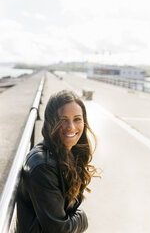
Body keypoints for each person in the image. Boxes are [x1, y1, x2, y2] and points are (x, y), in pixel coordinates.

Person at [15, 90, 98, 233]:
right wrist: (82, 218)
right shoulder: (43, 166)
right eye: (63, 120)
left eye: (77, 119)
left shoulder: (68, 153)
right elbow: (59, 229)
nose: (71, 127)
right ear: (50, 122)